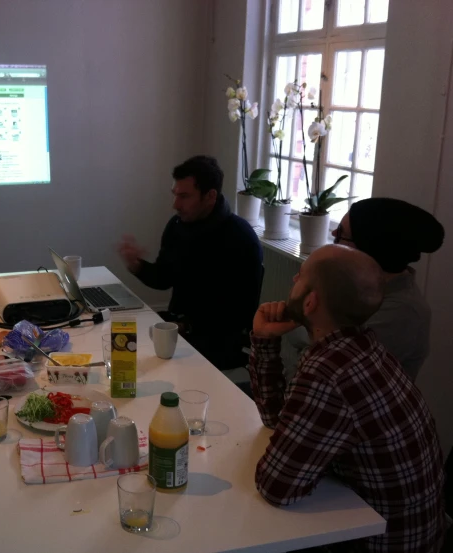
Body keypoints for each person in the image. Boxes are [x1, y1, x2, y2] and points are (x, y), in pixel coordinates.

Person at [250, 245, 445, 552]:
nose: (293, 278)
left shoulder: (328, 371)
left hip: (378, 542)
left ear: (311, 301)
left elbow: (276, 487)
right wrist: (265, 341)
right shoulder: (363, 346)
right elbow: (278, 419)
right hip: (413, 533)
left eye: (301, 276)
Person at [117, 155, 263, 369]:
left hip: (215, 341)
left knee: (137, 362)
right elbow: (164, 278)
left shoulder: (239, 238)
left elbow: (239, 313)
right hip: (179, 329)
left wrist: (186, 325)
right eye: (175, 194)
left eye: (184, 196)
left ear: (210, 196)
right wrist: (137, 265)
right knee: (120, 342)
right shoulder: (178, 226)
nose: (175, 204)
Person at [285, 198, 444, 382]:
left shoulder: (402, 312)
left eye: (341, 235)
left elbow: (319, 356)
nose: (333, 232)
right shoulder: (354, 285)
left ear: (370, 249)